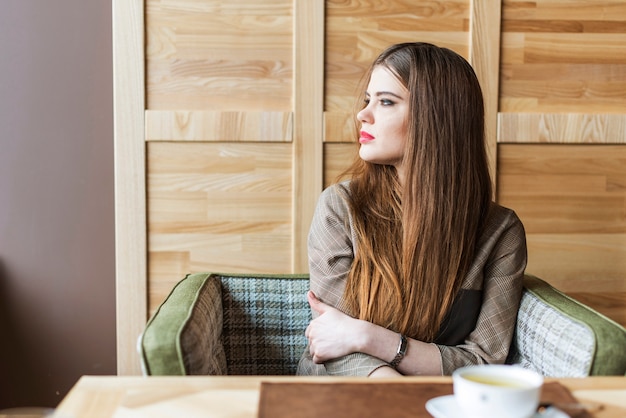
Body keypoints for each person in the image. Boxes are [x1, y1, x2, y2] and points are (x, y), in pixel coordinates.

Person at [297, 42, 527, 377]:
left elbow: (484, 360)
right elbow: (333, 344)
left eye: (386, 101)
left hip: (442, 402)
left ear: (436, 117)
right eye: (367, 100)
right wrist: (398, 396)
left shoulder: (500, 231)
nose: (363, 114)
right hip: (340, 396)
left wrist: (369, 336)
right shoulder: (340, 207)